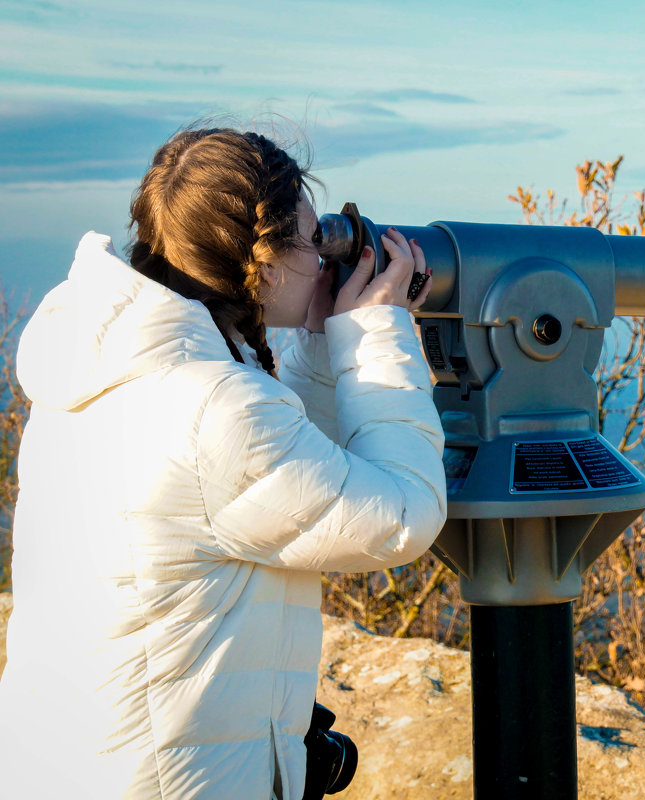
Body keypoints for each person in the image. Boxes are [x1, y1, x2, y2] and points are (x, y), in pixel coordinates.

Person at [0, 127, 447, 799]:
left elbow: (274, 476)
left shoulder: (121, 371)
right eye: (311, 240)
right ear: (264, 264)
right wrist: (378, 335)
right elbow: (401, 516)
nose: (325, 260)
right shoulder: (211, 406)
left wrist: (327, 345)